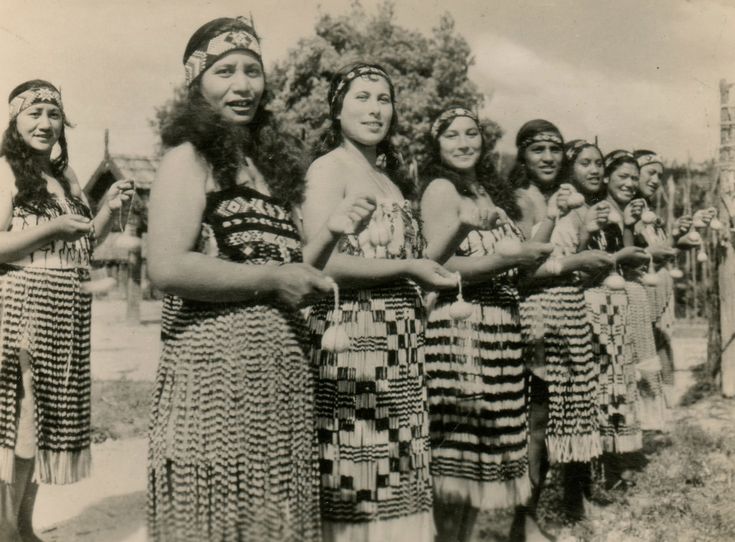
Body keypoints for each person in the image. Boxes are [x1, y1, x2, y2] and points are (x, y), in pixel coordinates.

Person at [145, 18, 371, 542]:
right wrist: (275, 277)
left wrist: (331, 232)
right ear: (196, 82)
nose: (242, 85)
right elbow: (167, 267)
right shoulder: (188, 160)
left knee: (268, 518)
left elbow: (290, 270)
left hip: (280, 372)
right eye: (225, 71)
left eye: (252, 70)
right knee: (214, 515)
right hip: (212, 374)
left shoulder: (265, 170)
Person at [302, 62, 456, 542]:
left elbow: (411, 257)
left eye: (383, 99)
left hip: (400, 340)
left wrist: (427, 263)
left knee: (397, 466)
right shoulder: (327, 169)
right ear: (337, 108)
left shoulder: (389, 179)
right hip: (351, 338)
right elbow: (323, 265)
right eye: (362, 97)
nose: (374, 109)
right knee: (357, 468)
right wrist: (407, 269)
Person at [0, 79, 133, 541]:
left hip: (67, 309)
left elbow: (82, 244)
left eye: (53, 114)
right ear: (14, 121)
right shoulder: (5, 172)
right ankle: (4, 530)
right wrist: (54, 226)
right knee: (22, 420)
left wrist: (107, 212)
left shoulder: (66, 177)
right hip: (24, 307)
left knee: (49, 421)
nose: (44, 123)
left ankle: (22, 524)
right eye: (33, 113)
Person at [419, 107, 552, 542]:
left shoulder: (487, 192)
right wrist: (505, 259)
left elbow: (517, 260)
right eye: (451, 135)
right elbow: (438, 263)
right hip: (461, 331)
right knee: (456, 463)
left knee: (479, 463)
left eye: (471, 133)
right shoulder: (440, 189)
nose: (463, 143)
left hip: (499, 331)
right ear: (436, 145)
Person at [511, 120, 612, 532]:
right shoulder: (518, 200)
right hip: (536, 318)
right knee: (535, 425)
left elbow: (574, 271)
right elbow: (519, 273)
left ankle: (566, 504)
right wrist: (576, 262)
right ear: (522, 156)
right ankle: (524, 522)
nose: (549, 157)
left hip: (570, 318)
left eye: (555, 149)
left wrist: (587, 245)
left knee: (560, 418)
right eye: (538, 149)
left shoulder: (568, 200)